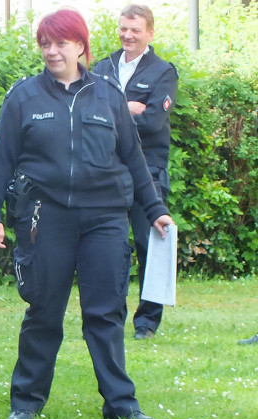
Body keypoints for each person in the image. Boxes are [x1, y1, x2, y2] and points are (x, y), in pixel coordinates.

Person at [0, 9, 173, 419]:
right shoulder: (24, 97)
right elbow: (1, 159)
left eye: (60, 43)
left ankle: (121, 404)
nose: (52, 51)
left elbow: (134, 159)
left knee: (105, 313)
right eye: (45, 43)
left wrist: (155, 208)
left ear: (80, 46)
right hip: (45, 217)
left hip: (104, 218)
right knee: (44, 311)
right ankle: (26, 402)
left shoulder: (108, 94)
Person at [92, 4, 178, 340]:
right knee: (110, 246)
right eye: (123, 28)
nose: (128, 35)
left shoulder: (163, 72)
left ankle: (146, 323)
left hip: (149, 172)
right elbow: (88, 114)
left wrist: (113, 111)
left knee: (148, 244)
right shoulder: (102, 67)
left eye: (135, 30)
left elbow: (154, 122)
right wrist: (127, 108)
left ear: (150, 33)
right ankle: (110, 315)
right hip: (107, 171)